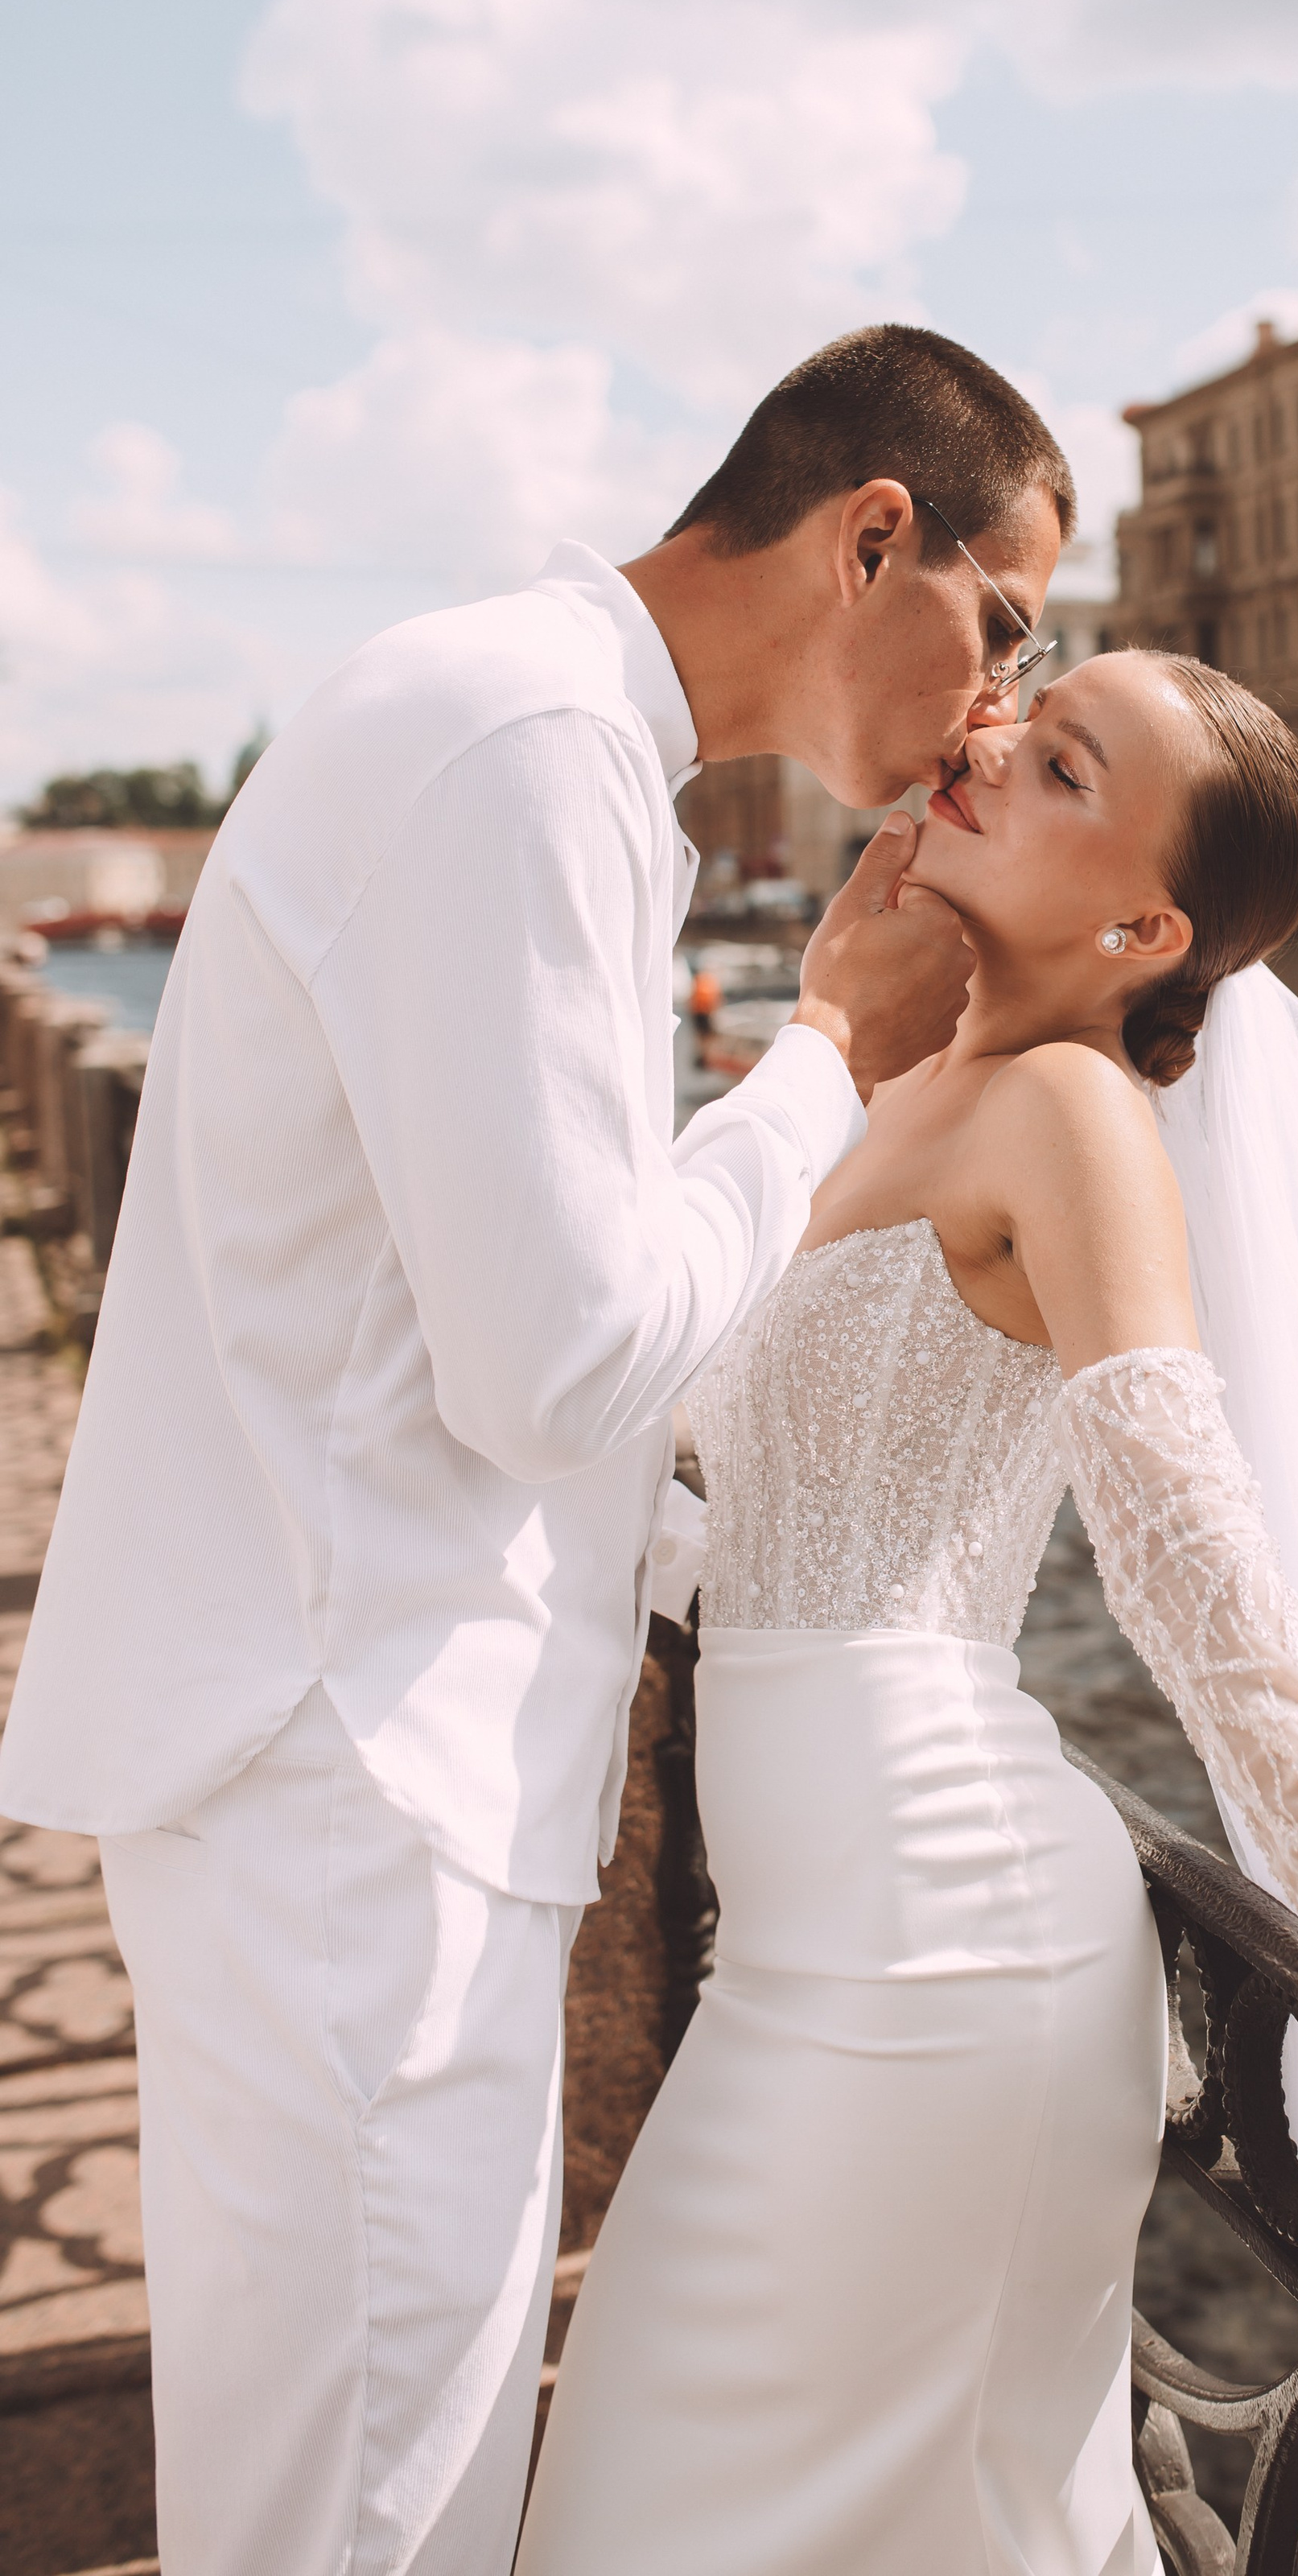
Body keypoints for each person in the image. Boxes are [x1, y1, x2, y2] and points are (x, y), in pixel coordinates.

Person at [0, 325, 1072, 2576]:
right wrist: (824, 1057)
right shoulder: (532, 750)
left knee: (335, 2494)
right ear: (870, 536)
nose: (998, 706)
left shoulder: (527, 725)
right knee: (369, 2522)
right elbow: (561, 1365)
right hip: (357, 1762)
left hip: (335, 1746)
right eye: (1002, 628)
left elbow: (491, 1303)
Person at [516, 649, 1298, 2576]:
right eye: (1023, 716)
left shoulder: (1072, 1116)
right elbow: (702, 1480)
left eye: (1062, 766)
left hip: (947, 1938)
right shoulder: (880, 1089)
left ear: (1143, 930)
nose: (988, 745)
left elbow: (1184, 1545)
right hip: (796, 1949)